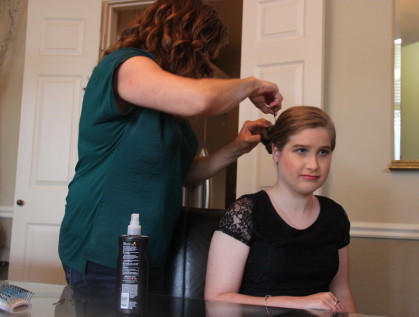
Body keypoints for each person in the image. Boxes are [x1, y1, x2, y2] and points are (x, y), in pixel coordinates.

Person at [58, 0, 282, 291]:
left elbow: (183, 174)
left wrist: (238, 147)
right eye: (201, 48)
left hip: (154, 248)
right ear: (179, 37)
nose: (202, 61)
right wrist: (252, 85)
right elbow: (199, 99)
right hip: (104, 246)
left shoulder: (168, 112)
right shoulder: (125, 64)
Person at [205, 106, 356, 313]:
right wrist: (298, 302)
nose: (313, 165)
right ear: (276, 151)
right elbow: (217, 298)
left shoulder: (335, 215)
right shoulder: (245, 212)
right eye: (301, 150)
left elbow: (342, 292)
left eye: (323, 152)